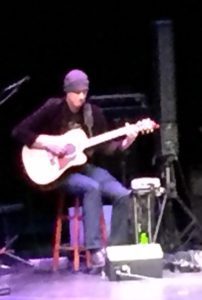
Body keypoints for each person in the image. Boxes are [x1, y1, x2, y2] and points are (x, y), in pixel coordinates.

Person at [12, 69, 139, 267]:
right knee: (91, 188)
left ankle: (115, 251)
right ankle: (95, 250)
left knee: (123, 195)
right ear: (67, 92)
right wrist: (48, 144)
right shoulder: (53, 108)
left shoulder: (93, 113)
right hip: (57, 173)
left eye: (84, 92)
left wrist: (126, 142)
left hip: (83, 167)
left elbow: (106, 148)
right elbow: (19, 131)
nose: (81, 96)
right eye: (77, 92)